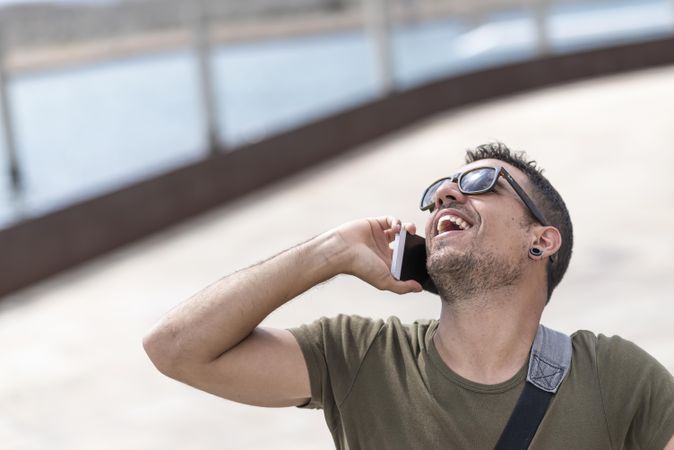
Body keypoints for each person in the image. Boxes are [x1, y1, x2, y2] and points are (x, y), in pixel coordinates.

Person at [143, 142, 674, 449]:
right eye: (440, 190)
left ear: (541, 240)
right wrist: (330, 251)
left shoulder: (614, 376)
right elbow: (174, 347)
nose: (447, 192)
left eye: (483, 182)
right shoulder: (360, 356)